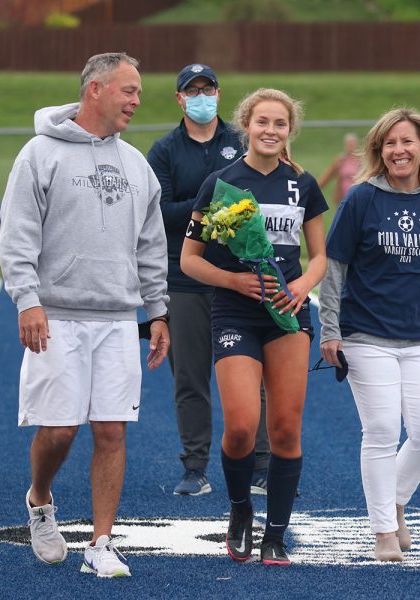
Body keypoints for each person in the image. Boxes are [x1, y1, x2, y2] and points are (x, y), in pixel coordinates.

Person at [0, 52, 170, 579]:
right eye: (129, 90)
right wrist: (27, 299)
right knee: (60, 431)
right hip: (57, 315)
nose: (137, 101)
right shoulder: (38, 154)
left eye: (138, 92)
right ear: (95, 89)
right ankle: (41, 499)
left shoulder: (137, 165)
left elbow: (151, 244)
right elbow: (18, 233)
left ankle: (101, 542)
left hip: (117, 318)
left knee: (112, 431)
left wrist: (158, 310)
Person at [318, 107, 420, 562]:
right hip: (367, 335)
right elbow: (334, 268)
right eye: (389, 143)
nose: (398, 150)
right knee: (383, 430)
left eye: (406, 141)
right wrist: (330, 329)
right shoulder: (362, 199)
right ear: (379, 151)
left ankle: (397, 499)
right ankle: (383, 530)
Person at [180, 88, 327, 566]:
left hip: (287, 314)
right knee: (242, 426)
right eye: (262, 121)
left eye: (280, 124)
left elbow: (320, 255)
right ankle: (241, 511)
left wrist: (303, 285)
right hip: (236, 312)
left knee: (285, 429)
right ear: (246, 124)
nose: (270, 130)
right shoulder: (219, 184)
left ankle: (277, 533)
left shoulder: (302, 184)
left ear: (290, 130)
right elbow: (188, 261)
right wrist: (232, 280)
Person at [147, 64, 271, 497]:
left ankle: (260, 465)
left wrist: (201, 203)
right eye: (192, 90)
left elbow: (259, 197)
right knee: (190, 377)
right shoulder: (163, 151)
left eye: (208, 88)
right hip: (184, 277)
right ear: (179, 98)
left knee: (250, 372)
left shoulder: (241, 141)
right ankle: (195, 467)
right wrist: (214, 200)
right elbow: (161, 213)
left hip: (238, 275)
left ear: (219, 93)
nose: (202, 96)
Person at [317, 132, 360, 206]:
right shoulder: (340, 160)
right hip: (343, 198)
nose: (351, 147)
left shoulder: (362, 161)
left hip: (359, 197)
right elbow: (326, 177)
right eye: (349, 144)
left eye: (353, 144)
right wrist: (313, 189)